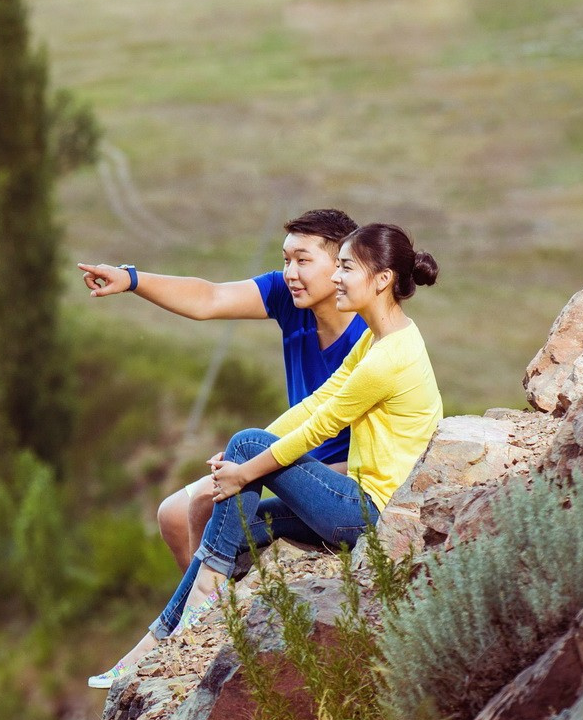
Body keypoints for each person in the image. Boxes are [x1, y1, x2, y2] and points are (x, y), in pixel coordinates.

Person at [83, 223, 444, 689]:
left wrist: (246, 466)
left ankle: (206, 599)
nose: (336, 278)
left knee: (247, 447)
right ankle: (154, 642)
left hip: (368, 513)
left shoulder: (387, 357)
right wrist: (244, 456)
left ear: (382, 279)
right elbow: (316, 402)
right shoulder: (378, 338)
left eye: (345, 268)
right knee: (241, 526)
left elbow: (320, 426)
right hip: (352, 501)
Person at [77, 208, 366, 574]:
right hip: (289, 457)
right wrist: (131, 279)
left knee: (206, 505)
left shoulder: (366, 340)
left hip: (334, 481)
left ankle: (208, 598)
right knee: (172, 515)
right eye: (286, 260)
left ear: (341, 265)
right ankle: (210, 603)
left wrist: (265, 468)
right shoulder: (290, 299)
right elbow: (209, 297)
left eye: (303, 260)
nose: (290, 273)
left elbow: (374, 458)